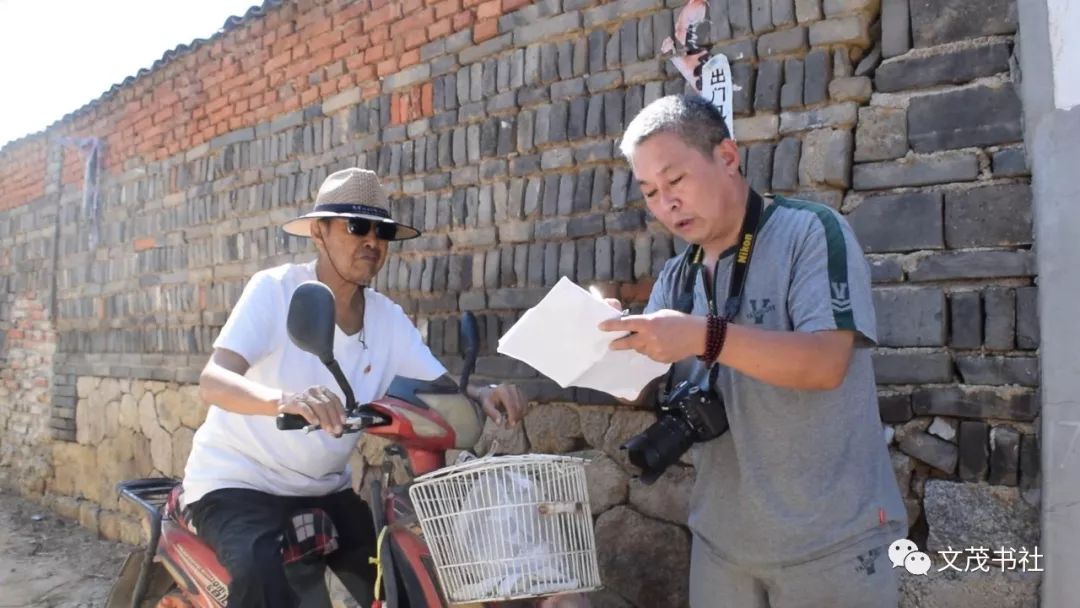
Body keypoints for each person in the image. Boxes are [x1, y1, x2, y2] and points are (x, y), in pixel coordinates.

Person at [598, 94, 907, 608]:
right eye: (650, 192)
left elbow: (826, 363)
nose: (665, 204)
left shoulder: (809, 232)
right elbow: (635, 391)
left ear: (726, 157)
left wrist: (704, 336)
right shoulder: (678, 276)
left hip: (833, 546)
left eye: (675, 181)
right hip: (723, 549)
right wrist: (608, 339)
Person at [181, 167, 530, 607]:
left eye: (381, 230)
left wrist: (481, 393)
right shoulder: (275, 290)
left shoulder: (386, 318)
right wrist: (284, 400)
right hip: (236, 483)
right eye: (356, 226)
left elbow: (435, 384)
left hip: (323, 488)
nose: (372, 241)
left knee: (394, 577)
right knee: (258, 575)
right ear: (318, 232)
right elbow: (213, 382)